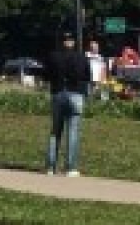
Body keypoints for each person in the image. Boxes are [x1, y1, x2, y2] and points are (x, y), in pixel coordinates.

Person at [44, 32, 93, 176]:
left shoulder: (53, 56)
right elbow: (87, 76)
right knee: (73, 132)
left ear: (61, 41)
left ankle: (50, 167)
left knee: (55, 131)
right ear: (74, 42)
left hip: (58, 93)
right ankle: (71, 168)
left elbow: (46, 75)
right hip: (76, 93)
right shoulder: (81, 57)